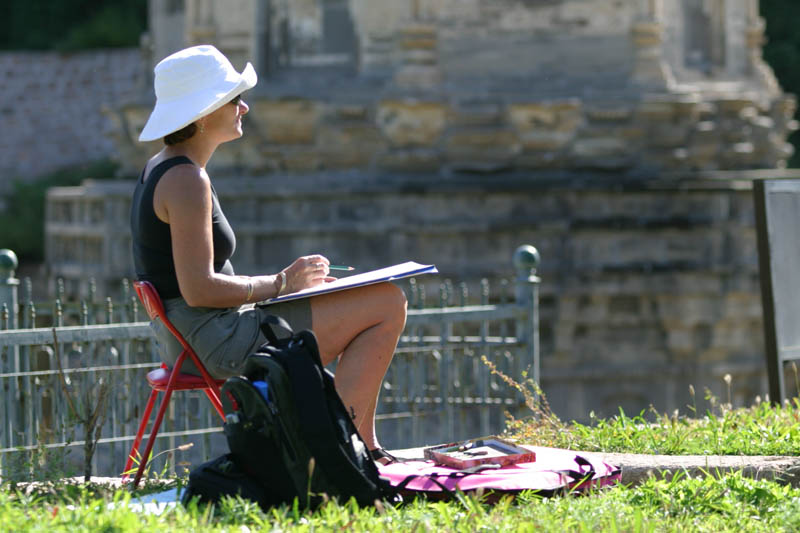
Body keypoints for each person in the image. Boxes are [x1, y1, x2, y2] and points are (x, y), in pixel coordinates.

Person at [131, 45, 407, 464]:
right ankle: (338, 456)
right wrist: (281, 285)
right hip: (215, 341)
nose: (244, 107)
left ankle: (360, 448)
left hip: (201, 333)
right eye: (233, 99)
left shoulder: (167, 166)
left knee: (376, 298)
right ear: (204, 114)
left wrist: (286, 291)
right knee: (387, 302)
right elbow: (199, 288)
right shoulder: (186, 180)